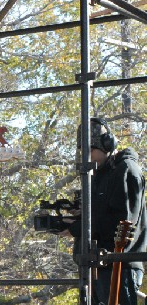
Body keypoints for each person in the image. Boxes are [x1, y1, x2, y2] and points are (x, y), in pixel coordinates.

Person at [64, 117, 147, 305]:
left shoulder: (126, 170)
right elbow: (101, 213)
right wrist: (77, 217)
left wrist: (78, 228)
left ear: (107, 145)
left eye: (91, 150)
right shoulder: (98, 173)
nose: (87, 156)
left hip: (119, 265)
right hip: (96, 265)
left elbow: (122, 222)